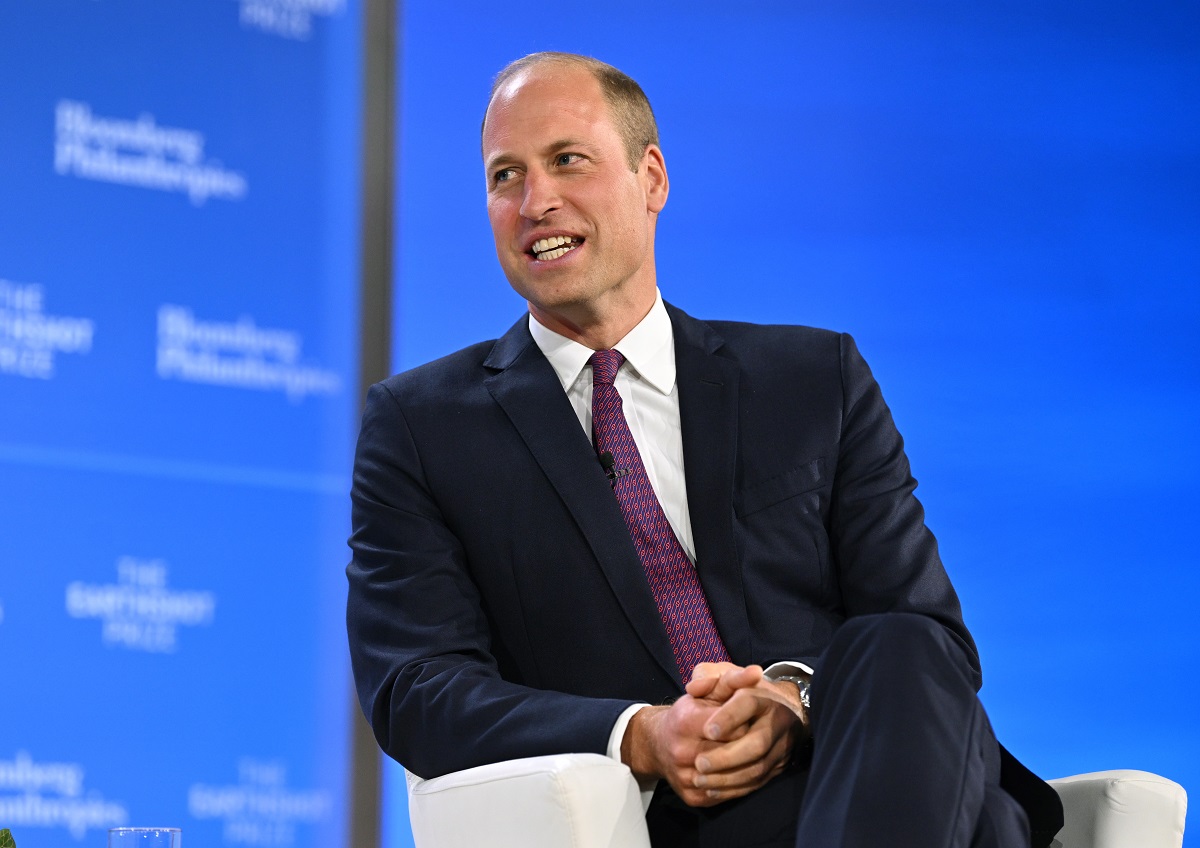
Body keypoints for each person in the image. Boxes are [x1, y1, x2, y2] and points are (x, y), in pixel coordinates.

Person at [347, 52, 1063, 847]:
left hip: (856, 762)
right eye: (504, 176)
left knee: (898, 641)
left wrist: (792, 700)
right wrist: (645, 733)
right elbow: (416, 689)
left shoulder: (813, 379)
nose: (535, 201)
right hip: (674, 821)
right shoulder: (423, 426)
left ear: (651, 178)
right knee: (991, 826)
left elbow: (932, 637)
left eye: (566, 161)